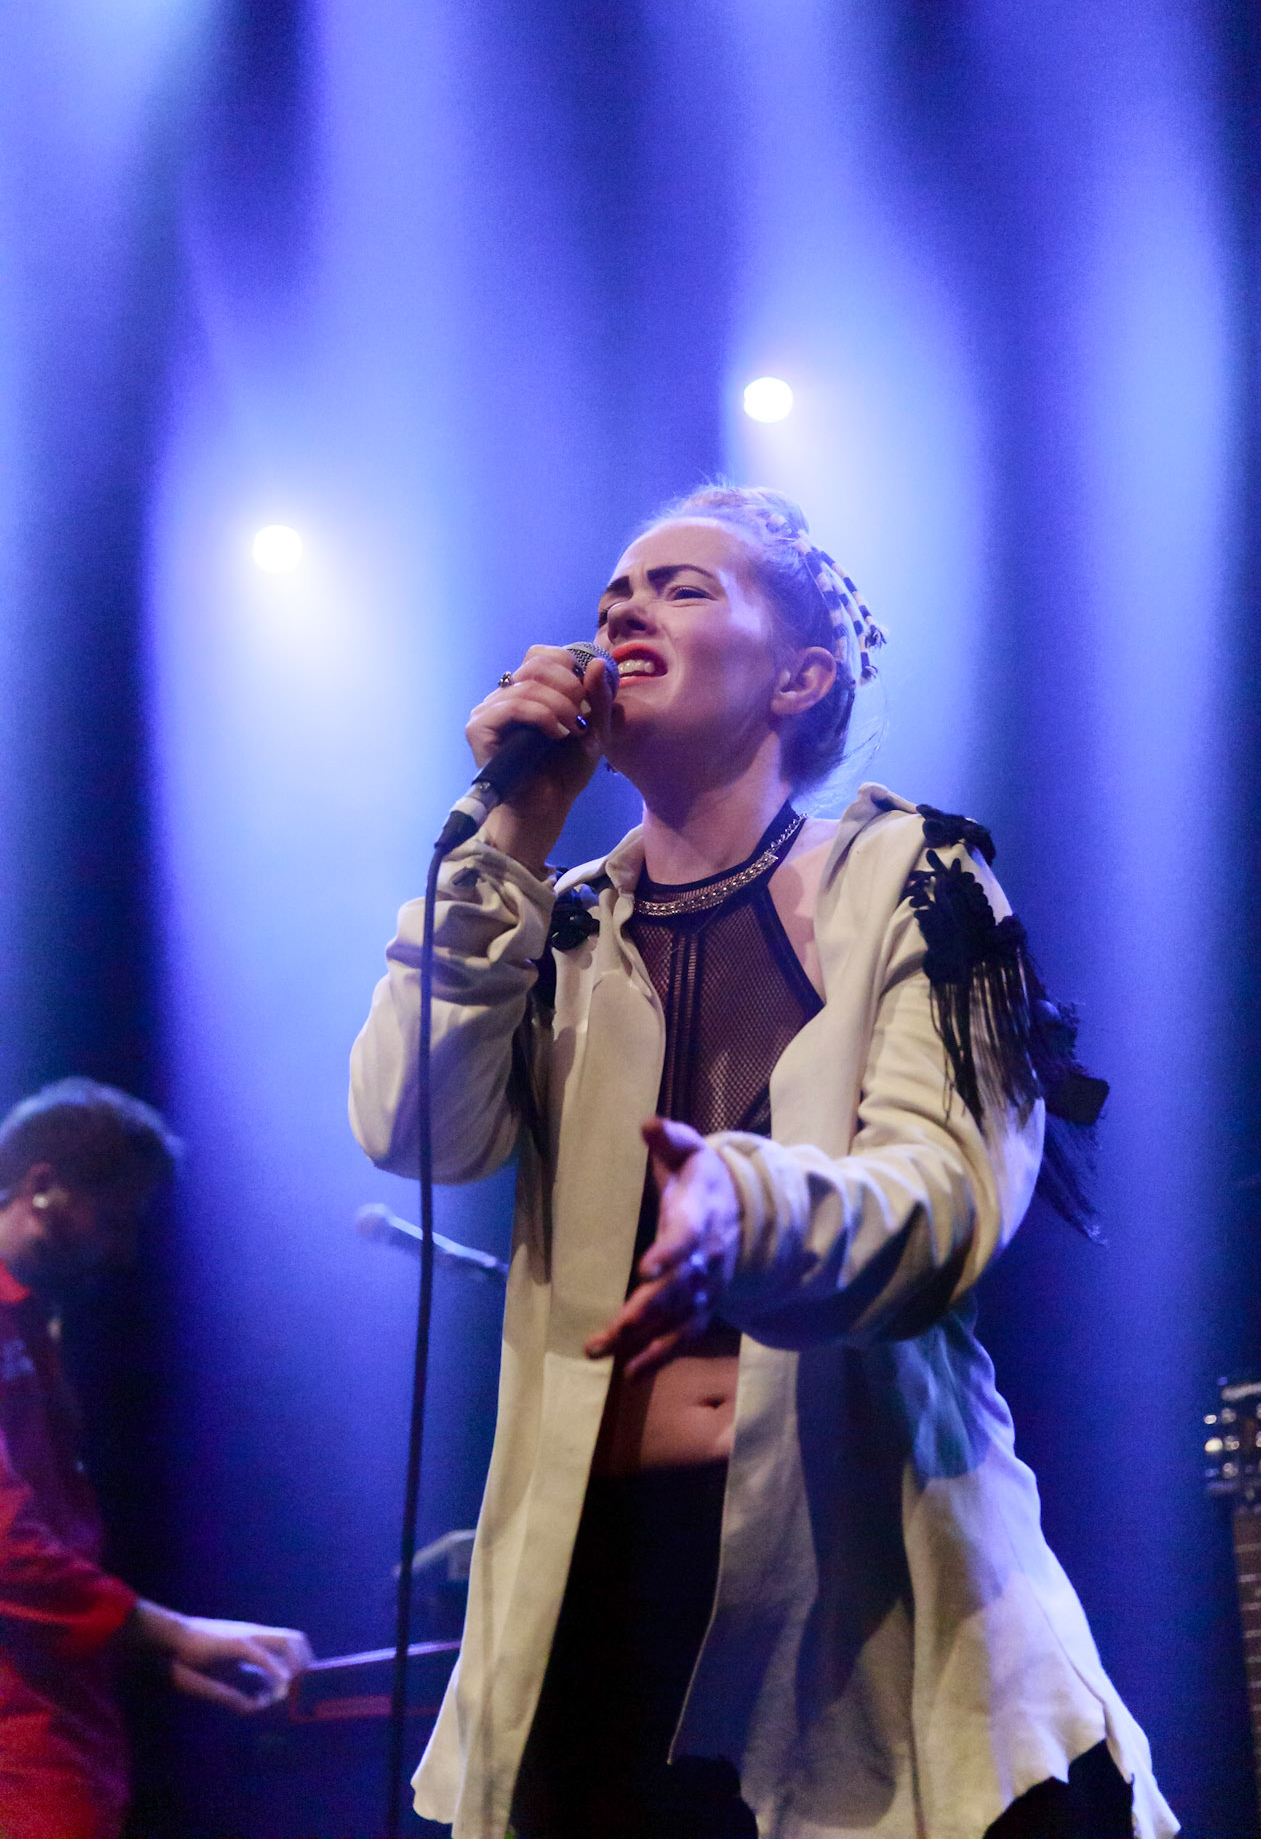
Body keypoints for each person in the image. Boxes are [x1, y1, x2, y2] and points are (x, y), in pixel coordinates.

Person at [349, 486, 1177, 1839]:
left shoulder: (916, 882)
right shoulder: (548, 925)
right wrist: (510, 832)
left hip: (864, 1613)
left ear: (800, 675)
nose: (622, 609)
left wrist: (746, 1201)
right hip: (597, 1624)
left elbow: (943, 1208)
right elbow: (412, 1129)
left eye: (682, 587)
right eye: (615, 591)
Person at [0, 1077, 313, 1839]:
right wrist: (173, 1632)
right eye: (116, 1220)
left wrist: (141, 1652)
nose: (124, 1250)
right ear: (43, 1187)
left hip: (62, 1721)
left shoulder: (32, 1319)